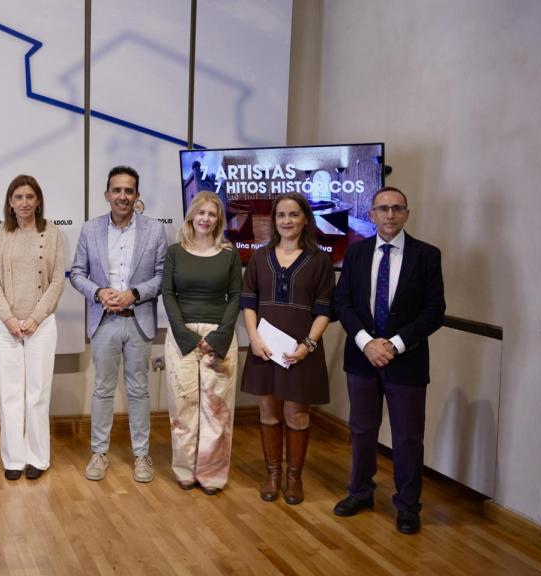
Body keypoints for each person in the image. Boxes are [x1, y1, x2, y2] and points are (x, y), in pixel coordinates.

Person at [332, 186, 445, 535]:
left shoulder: (427, 255)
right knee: (362, 431)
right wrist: (367, 343)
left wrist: (393, 345)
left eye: (397, 208)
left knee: (407, 436)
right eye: (383, 209)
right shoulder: (356, 254)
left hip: (406, 361)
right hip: (361, 357)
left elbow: (434, 312)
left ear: (407, 214)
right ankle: (361, 492)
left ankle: (408, 505)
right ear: (372, 214)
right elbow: (343, 304)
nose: (390, 215)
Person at [70, 165, 167, 483]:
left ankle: (142, 455)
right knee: (102, 390)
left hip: (138, 320)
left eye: (128, 191)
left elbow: (162, 277)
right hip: (105, 321)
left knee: (139, 391)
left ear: (137, 196)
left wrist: (134, 294)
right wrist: (99, 292)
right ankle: (99, 453)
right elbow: (77, 273)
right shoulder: (90, 229)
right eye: (117, 190)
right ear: (107, 194)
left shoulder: (154, 230)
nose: (122, 196)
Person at [241, 192, 334, 505]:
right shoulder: (259, 256)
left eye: (293, 214)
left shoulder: (320, 260)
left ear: (305, 219)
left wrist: (308, 344)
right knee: (268, 411)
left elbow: (324, 310)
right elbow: (248, 301)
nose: (287, 221)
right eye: (281, 215)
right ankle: (272, 474)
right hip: (264, 348)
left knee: (297, 414)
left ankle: (294, 477)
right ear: (274, 219)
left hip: (301, 350)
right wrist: (254, 338)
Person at [0, 175, 67, 481]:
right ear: (10, 202)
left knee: (36, 393)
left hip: (41, 324)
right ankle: (14, 459)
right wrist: (9, 318)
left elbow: (58, 279)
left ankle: (37, 457)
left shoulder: (53, 232)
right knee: (9, 394)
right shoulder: (0, 234)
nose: (24, 202)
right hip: (5, 324)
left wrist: (36, 317)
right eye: (18, 197)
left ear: (38, 201)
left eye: (29, 197)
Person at [161, 192, 242, 495]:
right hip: (182, 337)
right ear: (191, 216)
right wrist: (187, 336)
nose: (206, 218)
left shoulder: (229, 254)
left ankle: (212, 474)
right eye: (201, 212)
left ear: (218, 219)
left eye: (212, 214)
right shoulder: (175, 252)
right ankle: (184, 469)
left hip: (220, 336)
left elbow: (236, 297)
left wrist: (217, 337)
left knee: (216, 410)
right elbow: (168, 294)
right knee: (182, 407)